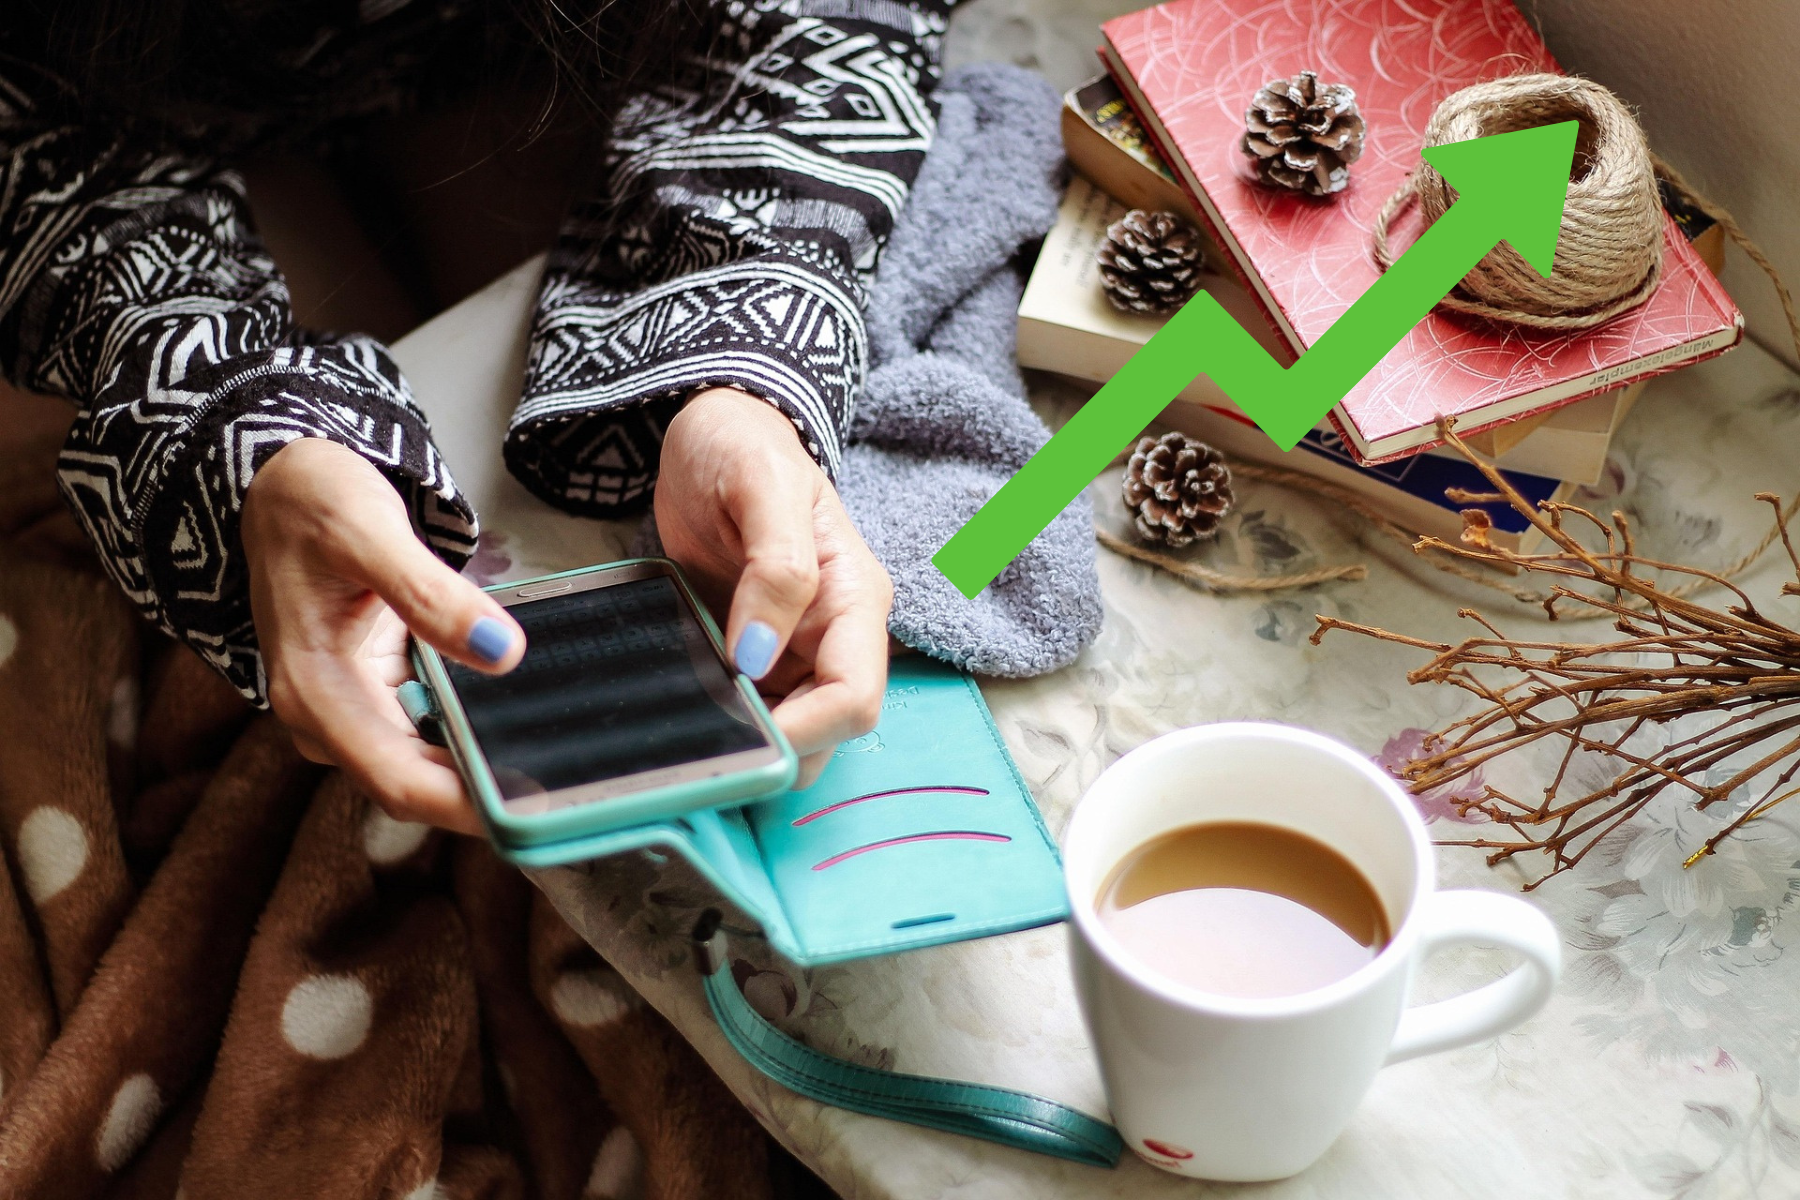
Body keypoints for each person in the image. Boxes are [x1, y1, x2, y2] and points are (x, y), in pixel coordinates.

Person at [0, 0, 955, 832]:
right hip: (99, 81)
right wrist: (240, 442)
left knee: (479, 451)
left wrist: (739, 366)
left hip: (543, 45)